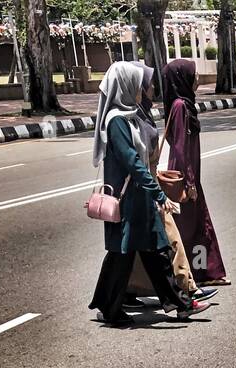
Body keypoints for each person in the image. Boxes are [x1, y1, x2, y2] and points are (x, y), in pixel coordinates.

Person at [88, 61, 196, 328]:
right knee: (125, 255)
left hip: (140, 200)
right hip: (129, 203)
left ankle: (179, 303)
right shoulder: (116, 122)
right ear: (126, 86)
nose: (143, 89)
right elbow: (132, 163)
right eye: (139, 84)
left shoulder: (129, 116)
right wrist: (159, 195)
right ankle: (174, 303)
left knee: (152, 249)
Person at [124, 64, 215, 311]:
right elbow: (175, 150)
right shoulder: (124, 120)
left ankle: (131, 290)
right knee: (171, 241)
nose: (153, 88)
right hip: (147, 191)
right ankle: (187, 291)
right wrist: (188, 181)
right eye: (148, 84)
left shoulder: (140, 114)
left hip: (151, 188)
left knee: (143, 249)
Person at [161, 59, 229, 287]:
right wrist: (189, 183)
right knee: (188, 230)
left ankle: (205, 273)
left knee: (199, 226)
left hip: (191, 176)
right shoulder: (180, 107)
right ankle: (185, 277)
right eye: (194, 74)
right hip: (185, 177)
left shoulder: (183, 104)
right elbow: (180, 148)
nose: (197, 78)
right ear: (183, 78)